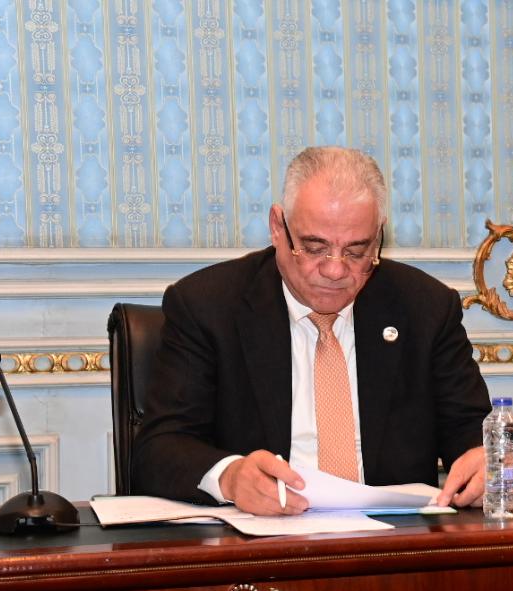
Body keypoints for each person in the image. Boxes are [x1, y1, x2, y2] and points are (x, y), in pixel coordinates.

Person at [132, 146, 491, 514]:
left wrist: (490, 465)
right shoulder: (208, 306)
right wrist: (231, 477)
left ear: (378, 235)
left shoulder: (425, 308)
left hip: (393, 540)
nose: (335, 270)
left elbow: (476, 434)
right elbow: (158, 450)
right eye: (314, 248)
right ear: (278, 227)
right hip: (265, 539)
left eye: (356, 250)